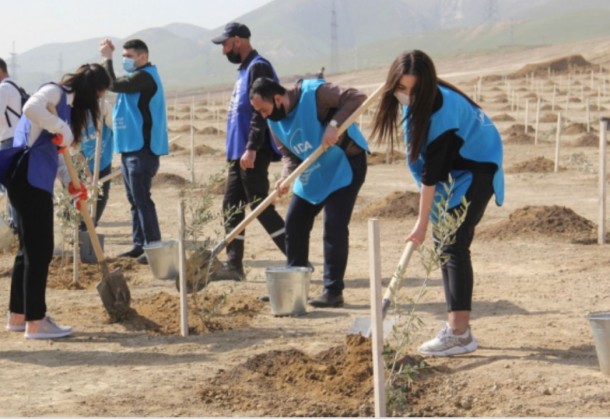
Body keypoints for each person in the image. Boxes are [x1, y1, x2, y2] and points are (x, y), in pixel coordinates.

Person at [370, 50, 504, 356]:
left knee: (452, 244)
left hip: (476, 170)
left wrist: (420, 223)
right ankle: (457, 328)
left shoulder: (443, 114)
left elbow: (432, 175)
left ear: (427, 86)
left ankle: (459, 334)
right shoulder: (419, 103)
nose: (406, 96)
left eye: (413, 90)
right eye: (400, 89)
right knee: (445, 244)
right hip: (457, 169)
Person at [1, 64, 110, 339]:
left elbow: (57, 154)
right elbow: (30, 109)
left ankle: (19, 315)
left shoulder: (65, 108)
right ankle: (36, 321)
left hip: (32, 178)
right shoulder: (53, 93)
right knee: (41, 250)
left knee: (29, 248)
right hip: (28, 177)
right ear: (88, 89)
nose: (96, 103)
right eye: (97, 96)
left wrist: (72, 185)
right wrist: (61, 127)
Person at [250, 77, 369, 308]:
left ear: (277, 98)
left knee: (333, 224)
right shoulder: (274, 123)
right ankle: (294, 285)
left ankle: (333, 291)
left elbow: (357, 97)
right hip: (314, 170)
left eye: (264, 109)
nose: (263, 116)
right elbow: (290, 156)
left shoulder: (314, 94)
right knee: (295, 222)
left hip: (344, 164)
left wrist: (334, 124)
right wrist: (286, 177)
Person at [210, 22, 287, 281]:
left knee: (259, 206)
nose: (223, 51)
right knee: (231, 206)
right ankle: (234, 265)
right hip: (238, 153)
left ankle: (297, 257)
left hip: (252, 152)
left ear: (238, 40)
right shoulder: (244, 69)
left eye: (225, 44)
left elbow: (260, 111)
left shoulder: (258, 66)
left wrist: (252, 148)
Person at [99, 38, 169, 265]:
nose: (125, 60)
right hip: (130, 148)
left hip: (142, 150)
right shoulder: (136, 78)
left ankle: (153, 246)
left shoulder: (145, 77)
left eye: (129, 56)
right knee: (134, 200)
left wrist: (107, 58)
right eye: (123, 56)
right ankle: (140, 245)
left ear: (143, 57)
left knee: (142, 199)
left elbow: (113, 84)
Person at [78, 99, 113, 227]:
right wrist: (88, 173)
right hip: (80, 162)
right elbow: (74, 149)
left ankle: (89, 228)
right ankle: (79, 229)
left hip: (103, 161)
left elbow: (116, 129)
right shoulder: (73, 112)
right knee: (78, 198)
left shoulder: (103, 107)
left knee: (100, 198)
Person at [0, 58, 23, 231]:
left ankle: (14, 226)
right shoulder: (15, 87)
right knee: (14, 186)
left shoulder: (4, 89)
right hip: (18, 140)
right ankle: (15, 224)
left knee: (10, 187)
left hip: (8, 141)